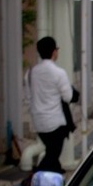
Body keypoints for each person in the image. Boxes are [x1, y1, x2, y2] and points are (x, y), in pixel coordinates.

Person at [25, 36, 73, 175]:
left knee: (51, 152)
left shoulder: (30, 73)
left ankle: (56, 173)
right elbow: (68, 97)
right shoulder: (59, 73)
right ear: (54, 52)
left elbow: (28, 98)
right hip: (56, 123)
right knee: (52, 155)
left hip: (39, 122)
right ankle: (32, 183)